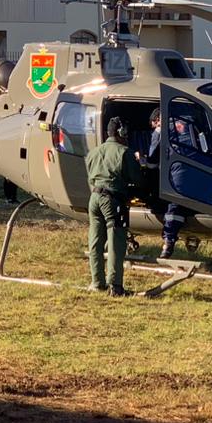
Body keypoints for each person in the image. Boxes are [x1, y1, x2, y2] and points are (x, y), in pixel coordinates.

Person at [85, 117, 142, 296]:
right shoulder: (124, 153)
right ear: (121, 132)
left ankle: (97, 282)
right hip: (113, 199)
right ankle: (115, 285)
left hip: (94, 198)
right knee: (116, 241)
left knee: (95, 241)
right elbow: (138, 180)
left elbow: (90, 176)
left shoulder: (94, 152)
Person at [139, 108, 186, 258]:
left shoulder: (160, 132)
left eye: (154, 124)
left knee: (171, 207)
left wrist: (142, 161)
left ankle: (168, 242)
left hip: (173, 176)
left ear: (158, 120)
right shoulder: (185, 125)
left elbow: (152, 162)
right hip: (188, 175)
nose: (154, 128)